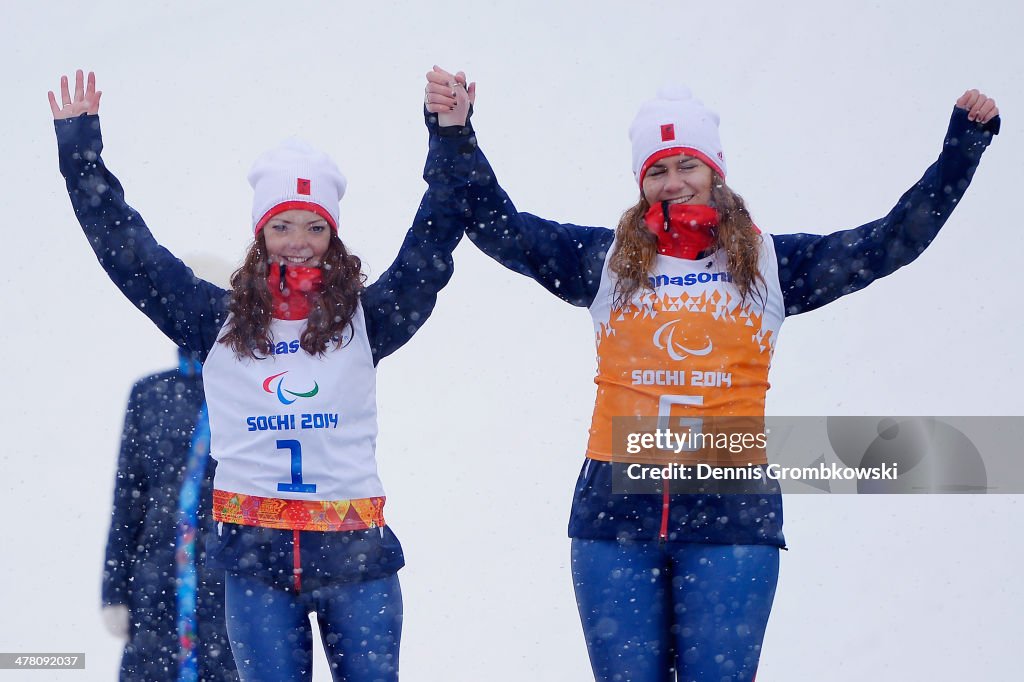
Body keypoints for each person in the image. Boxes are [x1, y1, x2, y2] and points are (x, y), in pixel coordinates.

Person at [424, 66, 999, 681]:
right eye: (657, 170)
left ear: (715, 173)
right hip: (616, 517)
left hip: (731, 515)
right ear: (641, 183)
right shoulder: (607, 263)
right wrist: (453, 132)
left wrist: (961, 150)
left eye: (687, 166)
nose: (673, 183)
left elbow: (890, 244)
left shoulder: (773, 266)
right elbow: (496, 226)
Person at [53, 69, 473, 682]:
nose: (298, 242)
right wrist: (80, 153)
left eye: (315, 226)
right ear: (259, 234)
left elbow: (434, 241)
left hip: (357, 564)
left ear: (333, 235)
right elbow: (127, 249)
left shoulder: (366, 321)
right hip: (255, 566)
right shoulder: (211, 321)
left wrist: (450, 134)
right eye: (282, 226)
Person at [102, 349, 238, 681]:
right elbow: (128, 501)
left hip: (231, 589)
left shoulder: (253, 394)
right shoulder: (150, 394)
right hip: (156, 590)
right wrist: (114, 590)